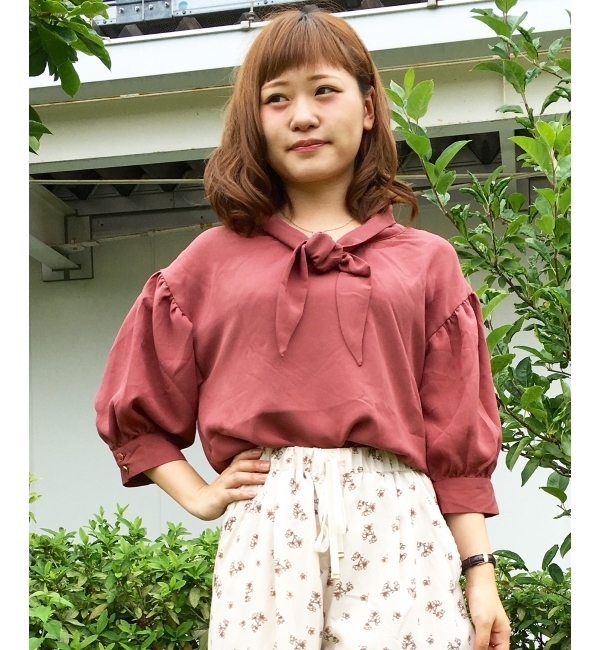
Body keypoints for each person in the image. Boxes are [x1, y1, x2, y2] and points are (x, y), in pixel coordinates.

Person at [95, 7, 511, 650]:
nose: (303, 116)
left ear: (367, 108)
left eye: (324, 90)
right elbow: (137, 407)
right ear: (255, 121)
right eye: (277, 98)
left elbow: (456, 433)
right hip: (267, 531)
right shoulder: (212, 261)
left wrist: (480, 574)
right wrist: (199, 495)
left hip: (399, 530)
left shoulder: (427, 262)